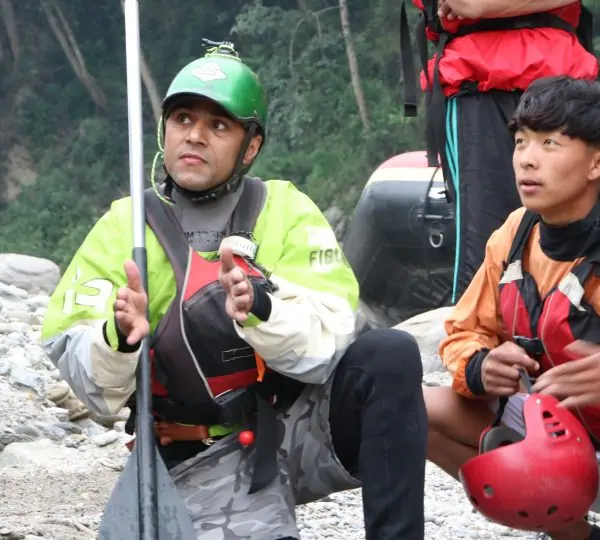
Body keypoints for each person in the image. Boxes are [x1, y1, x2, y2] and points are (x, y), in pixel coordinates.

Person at [41, 42, 428, 540]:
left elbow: (330, 341)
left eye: (218, 126)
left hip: (295, 429)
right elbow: (90, 387)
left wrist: (262, 308)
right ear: (164, 130)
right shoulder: (124, 227)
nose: (195, 136)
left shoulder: (286, 210)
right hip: (197, 452)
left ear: (251, 146)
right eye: (183, 119)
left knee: (389, 353)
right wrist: (117, 338)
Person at [424, 76, 600, 540]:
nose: (527, 157)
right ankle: (572, 534)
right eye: (521, 141)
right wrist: (481, 367)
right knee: (412, 409)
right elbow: (462, 331)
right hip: (555, 435)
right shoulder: (516, 233)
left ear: (595, 162)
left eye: (550, 142)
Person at [400, 0, 599, 304]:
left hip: (564, 81)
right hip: (477, 82)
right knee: (485, 241)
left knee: (581, 229)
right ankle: (481, 347)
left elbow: (475, 5)